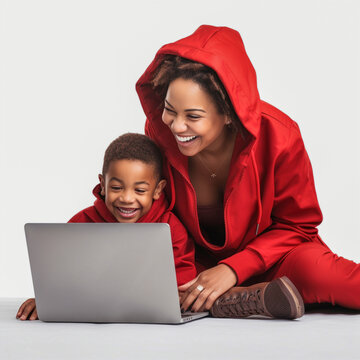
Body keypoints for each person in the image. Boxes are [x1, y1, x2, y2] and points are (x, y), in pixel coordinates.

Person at [136, 25, 360, 317]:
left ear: (229, 113)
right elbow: (155, 209)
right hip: (195, 266)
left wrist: (233, 269)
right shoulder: (159, 133)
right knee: (138, 280)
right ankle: (249, 298)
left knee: (328, 278)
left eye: (193, 116)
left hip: (272, 260)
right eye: (169, 109)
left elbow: (299, 225)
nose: (176, 126)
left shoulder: (281, 135)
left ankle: (227, 297)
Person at [16, 133, 197, 320]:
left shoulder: (170, 228)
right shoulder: (81, 224)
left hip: (150, 324)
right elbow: (61, 278)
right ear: (103, 184)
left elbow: (183, 287)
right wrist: (47, 300)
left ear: (158, 190)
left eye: (140, 190)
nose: (127, 198)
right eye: (117, 188)